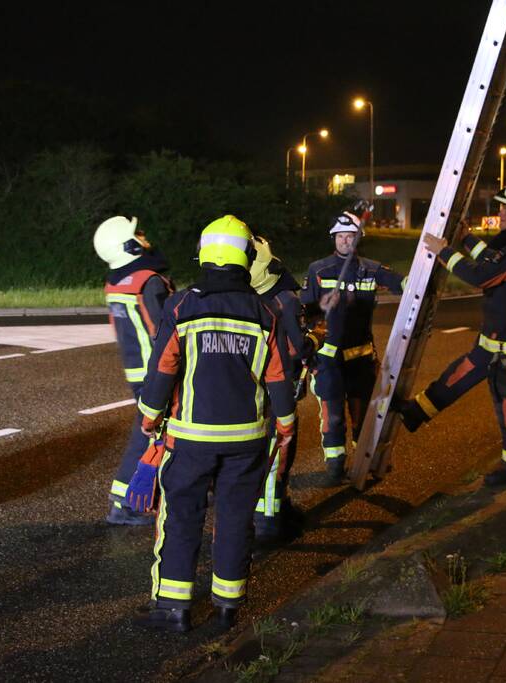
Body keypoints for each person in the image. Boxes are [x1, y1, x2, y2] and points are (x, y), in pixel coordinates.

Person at [133, 215, 296, 632]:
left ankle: (174, 608)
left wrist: (150, 417)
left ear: (205, 254)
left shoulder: (184, 305)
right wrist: (286, 423)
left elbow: (163, 367)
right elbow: (279, 375)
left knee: (182, 517)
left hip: (190, 439)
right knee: (235, 519)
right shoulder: (265, 311)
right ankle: (227, 607)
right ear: (245, 257)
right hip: (247, 440)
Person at [392, 182, 506, 486]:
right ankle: (415, 413)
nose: (500, 213)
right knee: (456, 376)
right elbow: (490, 258)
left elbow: (480, 274)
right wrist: (466, 239)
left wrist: (443, 251)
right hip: (495, 341)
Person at [301, 210, 405, 485]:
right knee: (333, 418)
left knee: (363, 418)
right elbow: (304, 312)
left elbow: (404, 285)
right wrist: (319, 309)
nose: (345, 241)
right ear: (334, 239)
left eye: (350, 237)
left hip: (360, 359)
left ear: (358, 239)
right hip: (329, 361)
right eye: (341, 236)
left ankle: (363, 464)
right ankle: (335, 467)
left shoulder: (370, 269)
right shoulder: (318, 270)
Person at [92, 215, 173, 525]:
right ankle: (125, 503)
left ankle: (161, 489)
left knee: (156, 430)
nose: (143, 237)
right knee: (151, 433)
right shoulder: (148, 282)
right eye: (136, 235)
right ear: (128, 246)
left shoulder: (115, 282)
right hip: (158, 370)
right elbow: (164, 332)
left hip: (136, 370)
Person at [248, 236, 321, 541]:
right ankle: (269, 521)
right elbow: (299, 347)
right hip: (279, 388)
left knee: (256, 451)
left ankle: (277, 508)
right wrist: (317, 338)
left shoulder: (244, 298)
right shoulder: (285, 300)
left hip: (248, 390)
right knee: (278, 450)